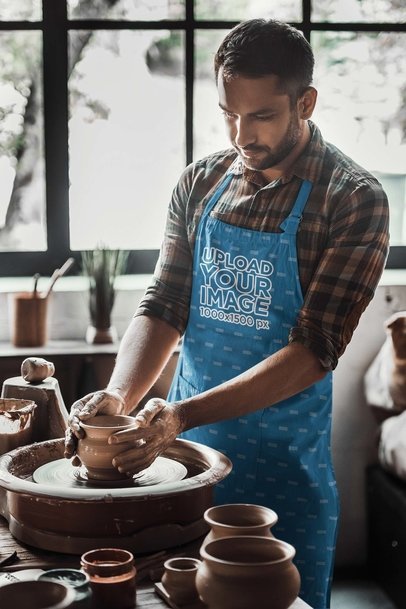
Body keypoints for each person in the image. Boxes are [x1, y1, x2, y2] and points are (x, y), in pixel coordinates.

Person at [65, 19, 389, 609]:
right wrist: (119, 397)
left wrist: (179, 415)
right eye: (228, 114)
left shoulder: (353, 199)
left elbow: (315, 349)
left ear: (305, 102)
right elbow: (166, 303)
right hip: (179, 465)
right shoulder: (201, 181)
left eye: (261, 115)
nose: (242, 135)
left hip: (284, 475)